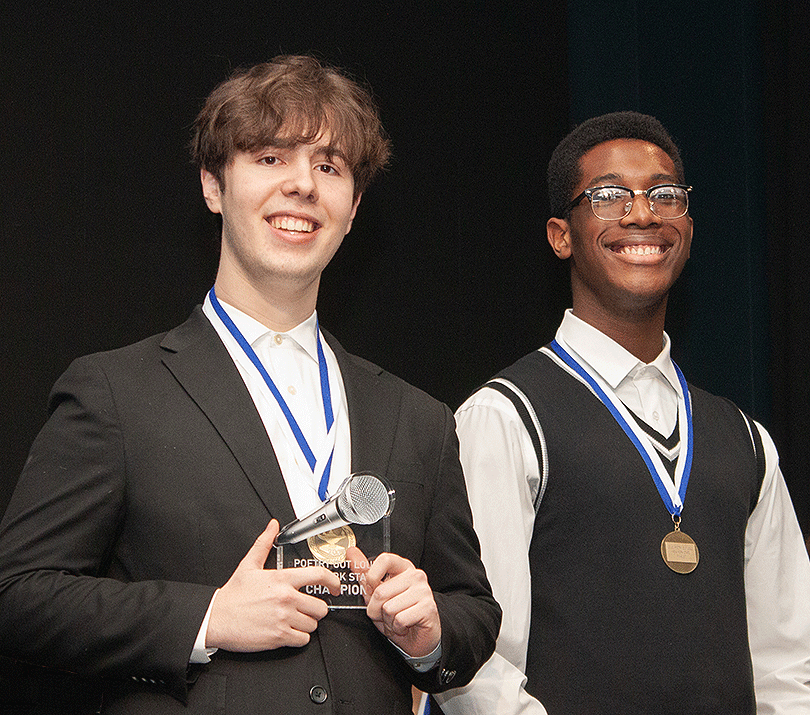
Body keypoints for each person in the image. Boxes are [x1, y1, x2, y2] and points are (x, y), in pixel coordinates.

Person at [0, 55, 500, 714]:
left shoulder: (419, 418)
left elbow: (473, 612)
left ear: (352, 210)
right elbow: (18, 594)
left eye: (329, 166)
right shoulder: (116, 391)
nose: (302, 185)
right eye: (269, 158)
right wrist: (208, 617)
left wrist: (429, 632)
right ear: (213, 185)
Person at [436, 112, 810, 714]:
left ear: (687, 224)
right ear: (561, 235)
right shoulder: (505, 416)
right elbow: (478, 660)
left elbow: (789, 664)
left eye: (665, 194)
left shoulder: (746, 440)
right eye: (609, 196)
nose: (643, 214)